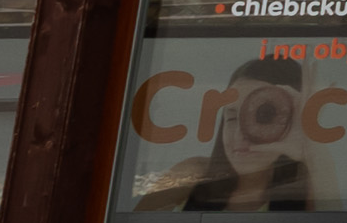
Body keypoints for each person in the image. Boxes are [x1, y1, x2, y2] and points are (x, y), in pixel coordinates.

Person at [133, 53, 334, 212]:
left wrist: (312, 146)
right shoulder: (193, 174)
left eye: (262, 116)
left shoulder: (307, 188)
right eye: (231, 117)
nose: (240, 135)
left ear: (292, 120)